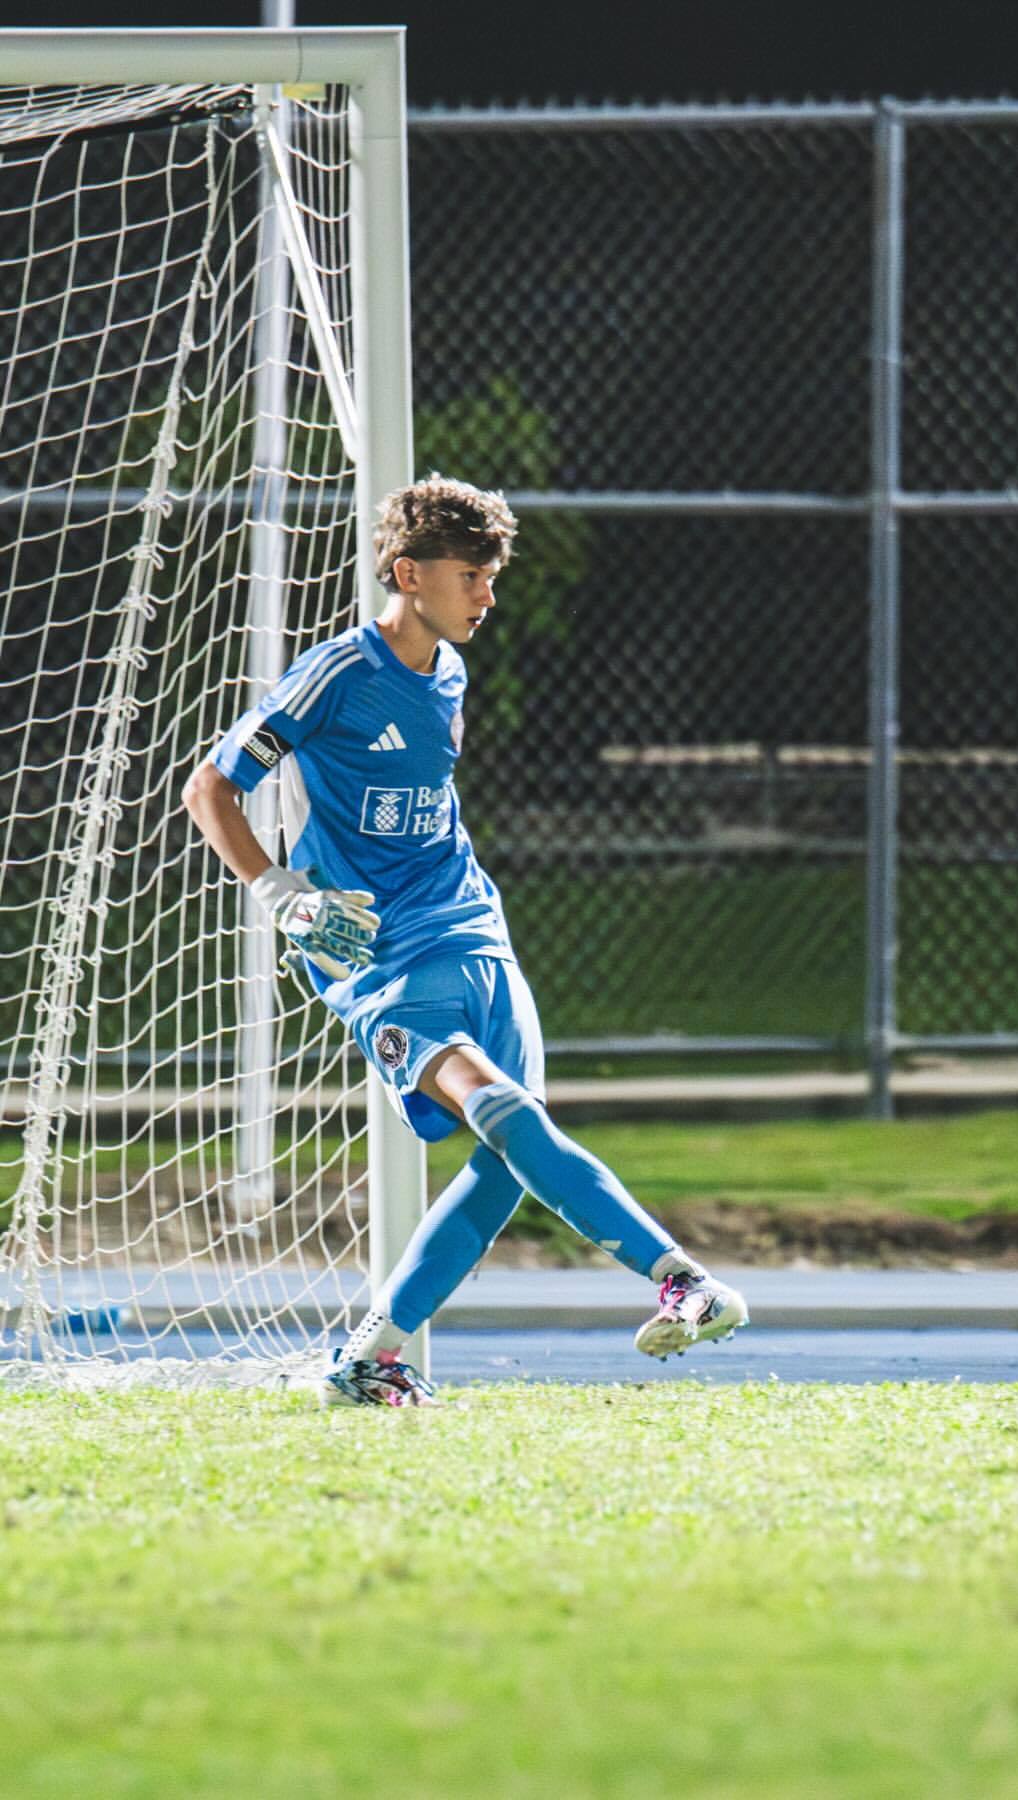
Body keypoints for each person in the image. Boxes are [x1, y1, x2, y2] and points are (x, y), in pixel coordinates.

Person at [182, 476, 747, 1405]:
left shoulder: (450, 670)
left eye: (493, 575)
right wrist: (279, 890)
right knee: (496, 1104)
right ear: (409, 573)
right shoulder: (337, 675)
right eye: (472, 575)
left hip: (473, 922)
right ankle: (681, 1278)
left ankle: (369, 1361)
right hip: (377, 955)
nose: (489, 595)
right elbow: (210, 788)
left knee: (507, 1158)